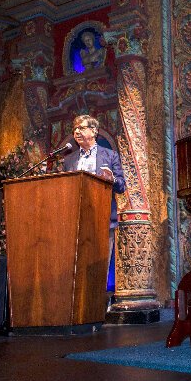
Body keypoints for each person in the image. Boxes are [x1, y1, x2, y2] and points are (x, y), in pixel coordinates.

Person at [63, 114, 125, 302]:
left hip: (103, 218)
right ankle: (77, 304)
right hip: (76, 220)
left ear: (94, 131)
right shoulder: (69, 160)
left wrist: (111, 179)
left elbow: (121, 185)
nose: (77, 132)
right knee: (77, 265)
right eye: (75, 129)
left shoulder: (110, 155)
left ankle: (96, 305)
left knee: (100, 265)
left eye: (81, 128)